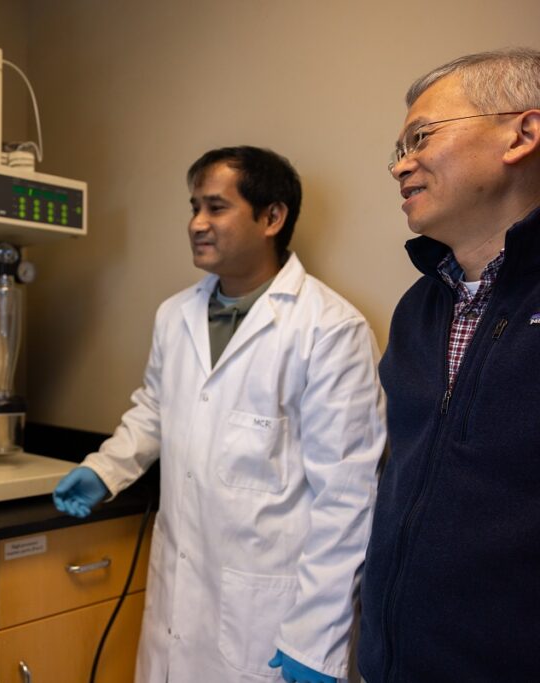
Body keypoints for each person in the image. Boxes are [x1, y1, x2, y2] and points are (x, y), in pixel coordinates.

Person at [53, 146, 386, 683]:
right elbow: (154, 407)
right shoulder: (175, 314)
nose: (196, 224)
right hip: (178, 598)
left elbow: (347, 498)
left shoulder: (329, 329)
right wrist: (105, 468)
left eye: (216, 207)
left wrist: (317, 639)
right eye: (193, 208)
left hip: (269, 619)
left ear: (272, 217)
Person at [358, 48, 540, 682]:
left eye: (421, 137)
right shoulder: (419, 309)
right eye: (398, 150)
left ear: (523, 132)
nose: (401, 165)